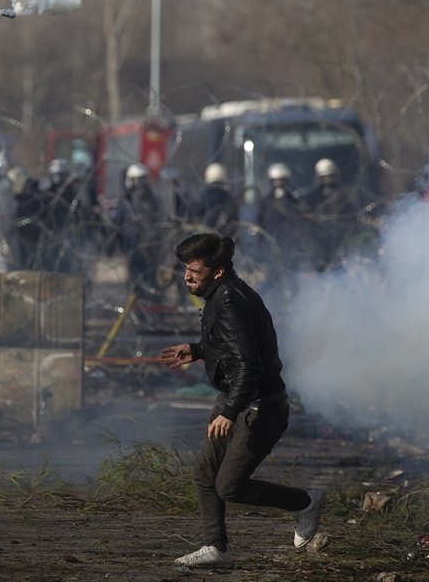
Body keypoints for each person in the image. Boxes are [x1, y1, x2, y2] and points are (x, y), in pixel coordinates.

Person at [159, 233, 324, 569]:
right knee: (205, 473)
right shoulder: (223, 294)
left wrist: (231, 411)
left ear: (216, 271)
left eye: (194, 270)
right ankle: (216, 549)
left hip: (258, 407)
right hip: (239, 400)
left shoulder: (229, 302)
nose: (187, 276)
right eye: (185, 269)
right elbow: (235, 348)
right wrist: (198, 350)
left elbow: (249, 363)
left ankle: (305, 502)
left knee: (229, 486)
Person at [111, 163, 164, 296]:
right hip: (136, 248)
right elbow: (117, 225)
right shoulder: (126, 202)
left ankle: (148, 308)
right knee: (140, 283)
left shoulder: (151, 201)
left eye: (142, 180)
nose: (140, 185)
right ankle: (141, 309)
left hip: (146, 248)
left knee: (147, 282)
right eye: (138, 180)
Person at [302, 157, 358, 271]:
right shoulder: (311, 198)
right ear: (319, 178)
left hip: (340, 242)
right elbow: (306, 223)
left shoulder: (344, 196)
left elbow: (352, 219)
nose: (328, 180)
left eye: (330, 176)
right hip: (319, 245)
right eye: (324, 177)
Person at [189, 162, 239, 236]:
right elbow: (234, 222)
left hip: (205, 239)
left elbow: (195, 217)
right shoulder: (228, 198)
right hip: (224, 240)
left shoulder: (204, 197)